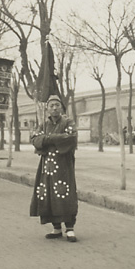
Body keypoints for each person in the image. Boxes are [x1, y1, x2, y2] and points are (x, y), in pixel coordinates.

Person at [30, 95, 79, 242]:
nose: (54, 108)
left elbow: (70, 137)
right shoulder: (43, 124)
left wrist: (48, 139)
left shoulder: (68, 122)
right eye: (51, 105)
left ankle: (69, 228)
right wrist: (52, 139)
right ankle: (56, 227)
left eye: (57, 105)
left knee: (65, 193)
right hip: (47, 166)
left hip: (64, 165)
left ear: (62, 107)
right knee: (48, 194)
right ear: (47, 109)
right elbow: (35, 140)